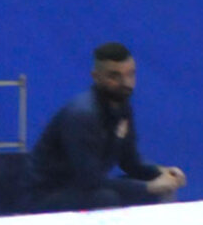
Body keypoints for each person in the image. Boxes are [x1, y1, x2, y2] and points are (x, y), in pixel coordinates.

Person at [27, 43, 185, 211]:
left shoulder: (122, 106)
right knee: (106, 197)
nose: (126, 83)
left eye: (131, 74)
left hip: (80, 188)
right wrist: (149, 187)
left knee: (153, 188)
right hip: (46, 195)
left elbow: (131, 162)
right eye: (114, 76)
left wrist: (162, 172)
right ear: (96, 77)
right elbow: (90, 180)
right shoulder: (82, 114)